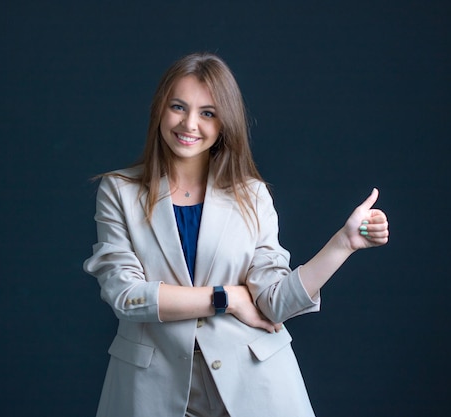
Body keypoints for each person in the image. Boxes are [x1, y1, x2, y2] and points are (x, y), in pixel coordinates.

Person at [83, 52, 389, 417]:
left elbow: (274, 303)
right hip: (150, 389)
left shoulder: (252, 194)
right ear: (159, 110)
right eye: (178, 107)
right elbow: (126, 296)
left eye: (207, 113)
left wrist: (344, 244)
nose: (190, 124)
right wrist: (225, 297)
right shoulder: (119, 191)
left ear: (224, 122)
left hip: (255, 382)